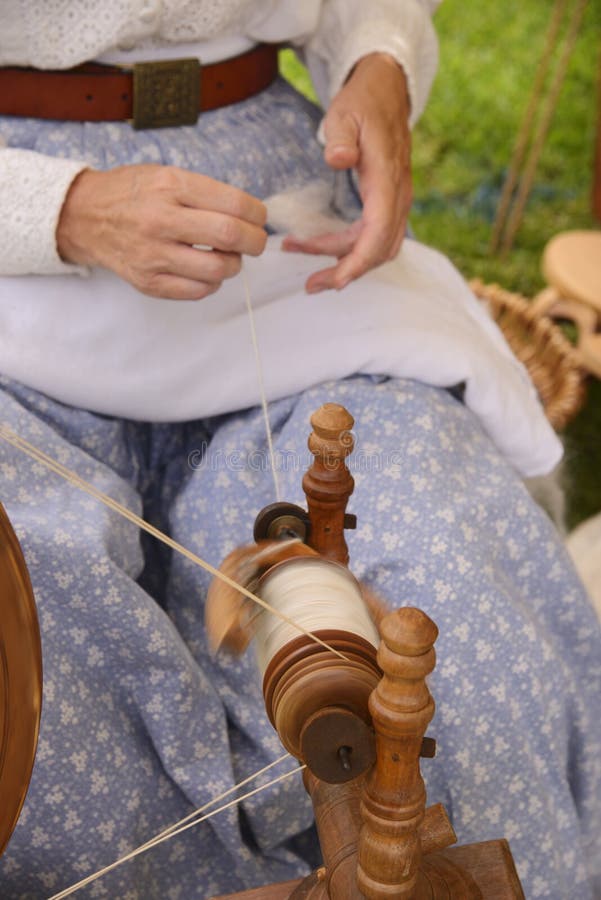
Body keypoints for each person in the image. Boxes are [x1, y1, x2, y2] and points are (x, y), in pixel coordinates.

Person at [0, 3, 599, 898]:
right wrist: (59, 209)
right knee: (36, 674)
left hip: (286, 237)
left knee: (455, 614)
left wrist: (375, 59)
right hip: (15, 263)